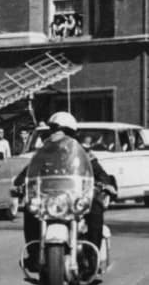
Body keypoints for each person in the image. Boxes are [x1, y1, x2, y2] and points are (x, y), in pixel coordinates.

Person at [12, 111, 115, 270]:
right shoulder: (43, 153)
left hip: (74, 198)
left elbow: (99, 172)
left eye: (64, 131)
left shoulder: (84, 153)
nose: (58, 134)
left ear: (72, 134)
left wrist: (106, 184)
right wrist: (19, 184)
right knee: (29, 209)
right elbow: (28, 172)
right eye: (54, 130)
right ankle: (33, 254)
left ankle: (91, 257)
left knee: (95, 207)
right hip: (49, 199)